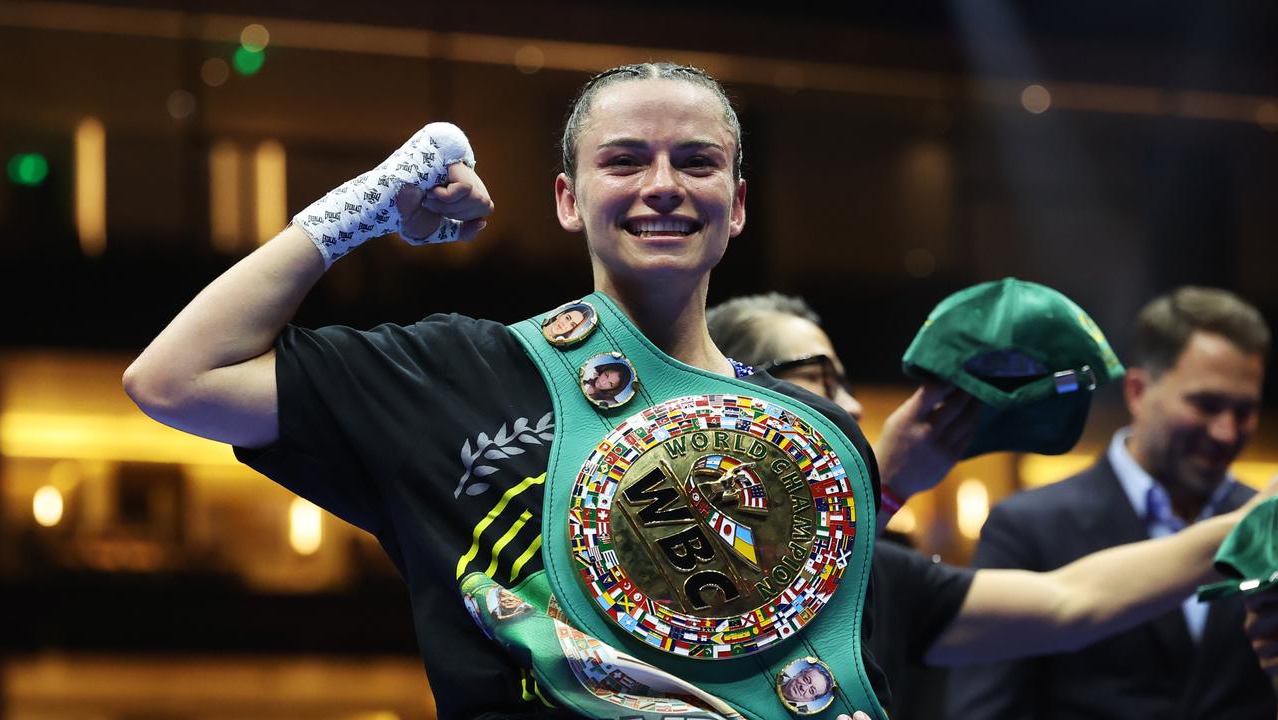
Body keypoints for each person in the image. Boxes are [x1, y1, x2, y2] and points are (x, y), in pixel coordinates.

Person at [124, 61, 1271, 720]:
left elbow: (1053, 607)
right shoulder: (460, 369)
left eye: (696, 164)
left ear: (736, 204)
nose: (661, 185)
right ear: (568, 199)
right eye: (624, 160)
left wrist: (1257, 524)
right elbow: (174, 379)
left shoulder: (808, 434)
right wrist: (363, 208)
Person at [707, 291, 1278, 719]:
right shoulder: (673, 568)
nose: (852, 406)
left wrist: (1261, 517)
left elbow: (1072, 602)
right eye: (817, 381)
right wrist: (885, 485)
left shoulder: (884, 573)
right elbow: (761, 583)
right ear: (736, 408)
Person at [947, 286, 1276, 719]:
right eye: (1206, 405)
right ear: (1138, 391)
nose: (1227, 432)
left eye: (1244, 410)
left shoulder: (1271, 528)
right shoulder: (1028, 527)